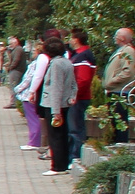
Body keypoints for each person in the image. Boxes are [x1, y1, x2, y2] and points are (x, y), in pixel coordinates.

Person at [37, 35, 76, 175]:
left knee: (55, 136)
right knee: (62, 135)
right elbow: (73, 84)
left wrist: (55, 111)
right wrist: (72, 97)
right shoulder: (67, 62)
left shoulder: (56, 64)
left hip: (54, 104)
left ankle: (58, 166)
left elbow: (56, 87)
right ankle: (63, 163)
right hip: (64, 103)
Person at [15, 40, 48, 156]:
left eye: (34, 50)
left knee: (32, 119)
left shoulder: (36, 63)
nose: (32, 52)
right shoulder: (46, 61)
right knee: (36, 118)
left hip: (29, 94)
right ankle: (36, 140)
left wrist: (17, 89)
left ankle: (34, 141)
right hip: (36, 94)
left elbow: (29, 79)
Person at [68, 27, 97, 159]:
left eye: (71, 38)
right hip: (78, 96)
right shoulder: (78, 54)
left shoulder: (83, 56)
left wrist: (75, 95)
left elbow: (83, 79)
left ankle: (75, 156)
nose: (69, 41)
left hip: (78, 98)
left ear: (76, 40)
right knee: (75, 127)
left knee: (75, 129)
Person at [105, 28, 135, 145]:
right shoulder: (122, 50)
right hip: (115, 91)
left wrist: (111, 82)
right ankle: (116, 144)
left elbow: (128, 72)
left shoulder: (128, 51)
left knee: (120, 121)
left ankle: (120, 145)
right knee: (115, 121)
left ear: (122, 38)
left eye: (116, 35)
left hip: (121, 92)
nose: (114, 37)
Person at [2, 37, 27, 108]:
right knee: (14, 86)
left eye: (11, 44)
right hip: (17, 70)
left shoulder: (18, 49)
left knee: (13, 86)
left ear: (15, 43)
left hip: (16, 70)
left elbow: (16, 60)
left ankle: (14, 103)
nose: (10, 45)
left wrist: (10, 68)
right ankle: (15, 102)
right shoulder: (17, 49)